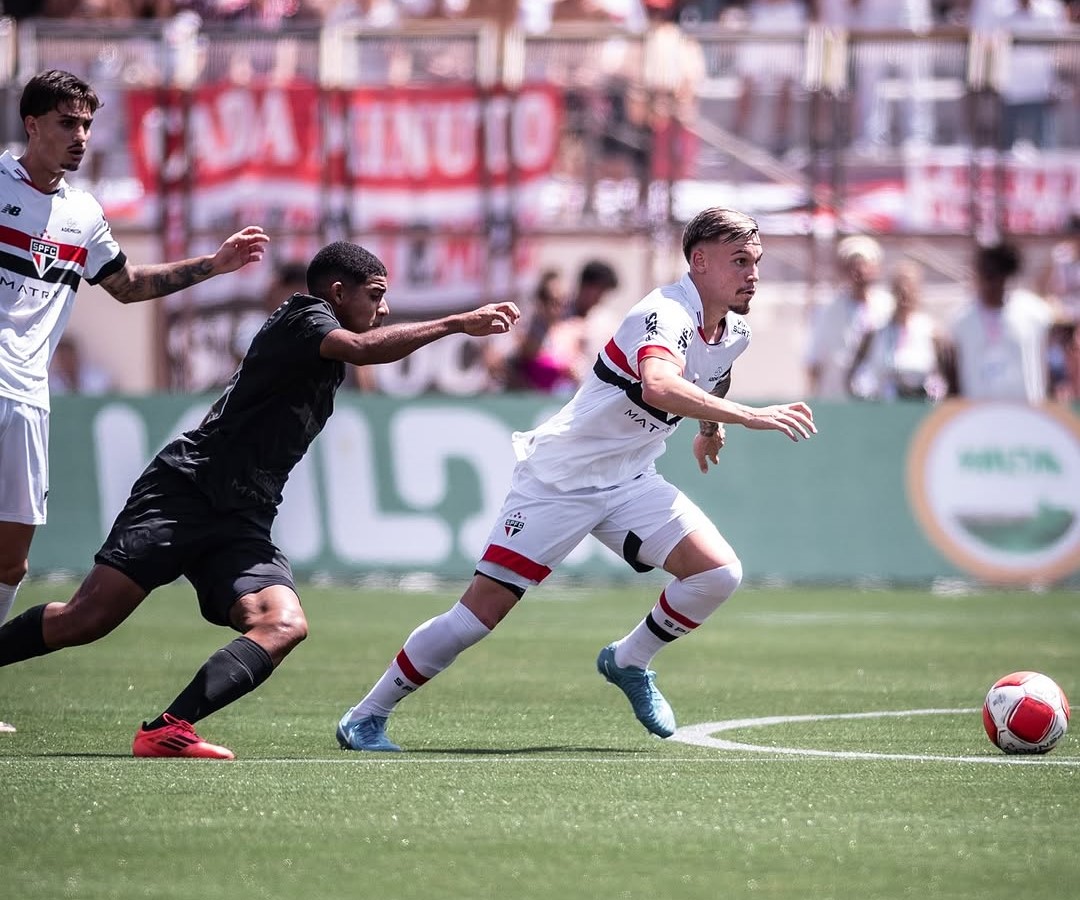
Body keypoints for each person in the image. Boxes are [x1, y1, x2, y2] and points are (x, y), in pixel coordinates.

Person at [0, 241, 520, 759]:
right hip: (186, 492)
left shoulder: (325, 337)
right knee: (84, 620)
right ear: (338, 293)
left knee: (283, 624)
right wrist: (456, 323)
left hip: (245, 516)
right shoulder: (305, 318)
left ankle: (168, 728)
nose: (383, 309)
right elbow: (365, 349)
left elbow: (361, 351)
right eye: (376, 295)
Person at [336, 207, 817, 752]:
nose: (752, 273)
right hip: (559, 481)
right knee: (477, 617)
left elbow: (715, 374)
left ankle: (628, 660)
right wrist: (749, 417)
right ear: (699, 262)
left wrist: (709, 427)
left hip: (631, 480)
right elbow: (659, 385)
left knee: (718, 575)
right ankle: (366, 715)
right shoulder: (662, 313)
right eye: (739, 261)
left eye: (755, 261)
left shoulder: (735, 331)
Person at [0, 69, 270, 735]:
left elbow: (124, 285)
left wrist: (215, 263)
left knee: (10, 559)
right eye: (68, 123)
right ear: (32, 125)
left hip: (27, 403)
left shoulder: (83, 214)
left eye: (88, 125)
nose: (81, 137)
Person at [942, 241, 1052, 402]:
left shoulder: (1034, 313)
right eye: (986, 275)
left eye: (996, 276)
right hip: (978, 412)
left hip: (1026, 410)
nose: (991, 283)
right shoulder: (961, 320)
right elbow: (953, 371)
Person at [805, 235, 894, 398]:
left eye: (864, 265)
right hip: (839, 399)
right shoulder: (828, 310)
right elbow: (814, 360)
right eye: (853, 266)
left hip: (881, 400)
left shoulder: (888, 307)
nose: (859, 272)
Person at [846, 260, 949, 401]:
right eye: (900, 290)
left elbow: (945, 379)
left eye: (910, 290)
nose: (904, 297)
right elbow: (854, 377)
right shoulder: (875, 332)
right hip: (884, 410)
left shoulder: (931, 333)